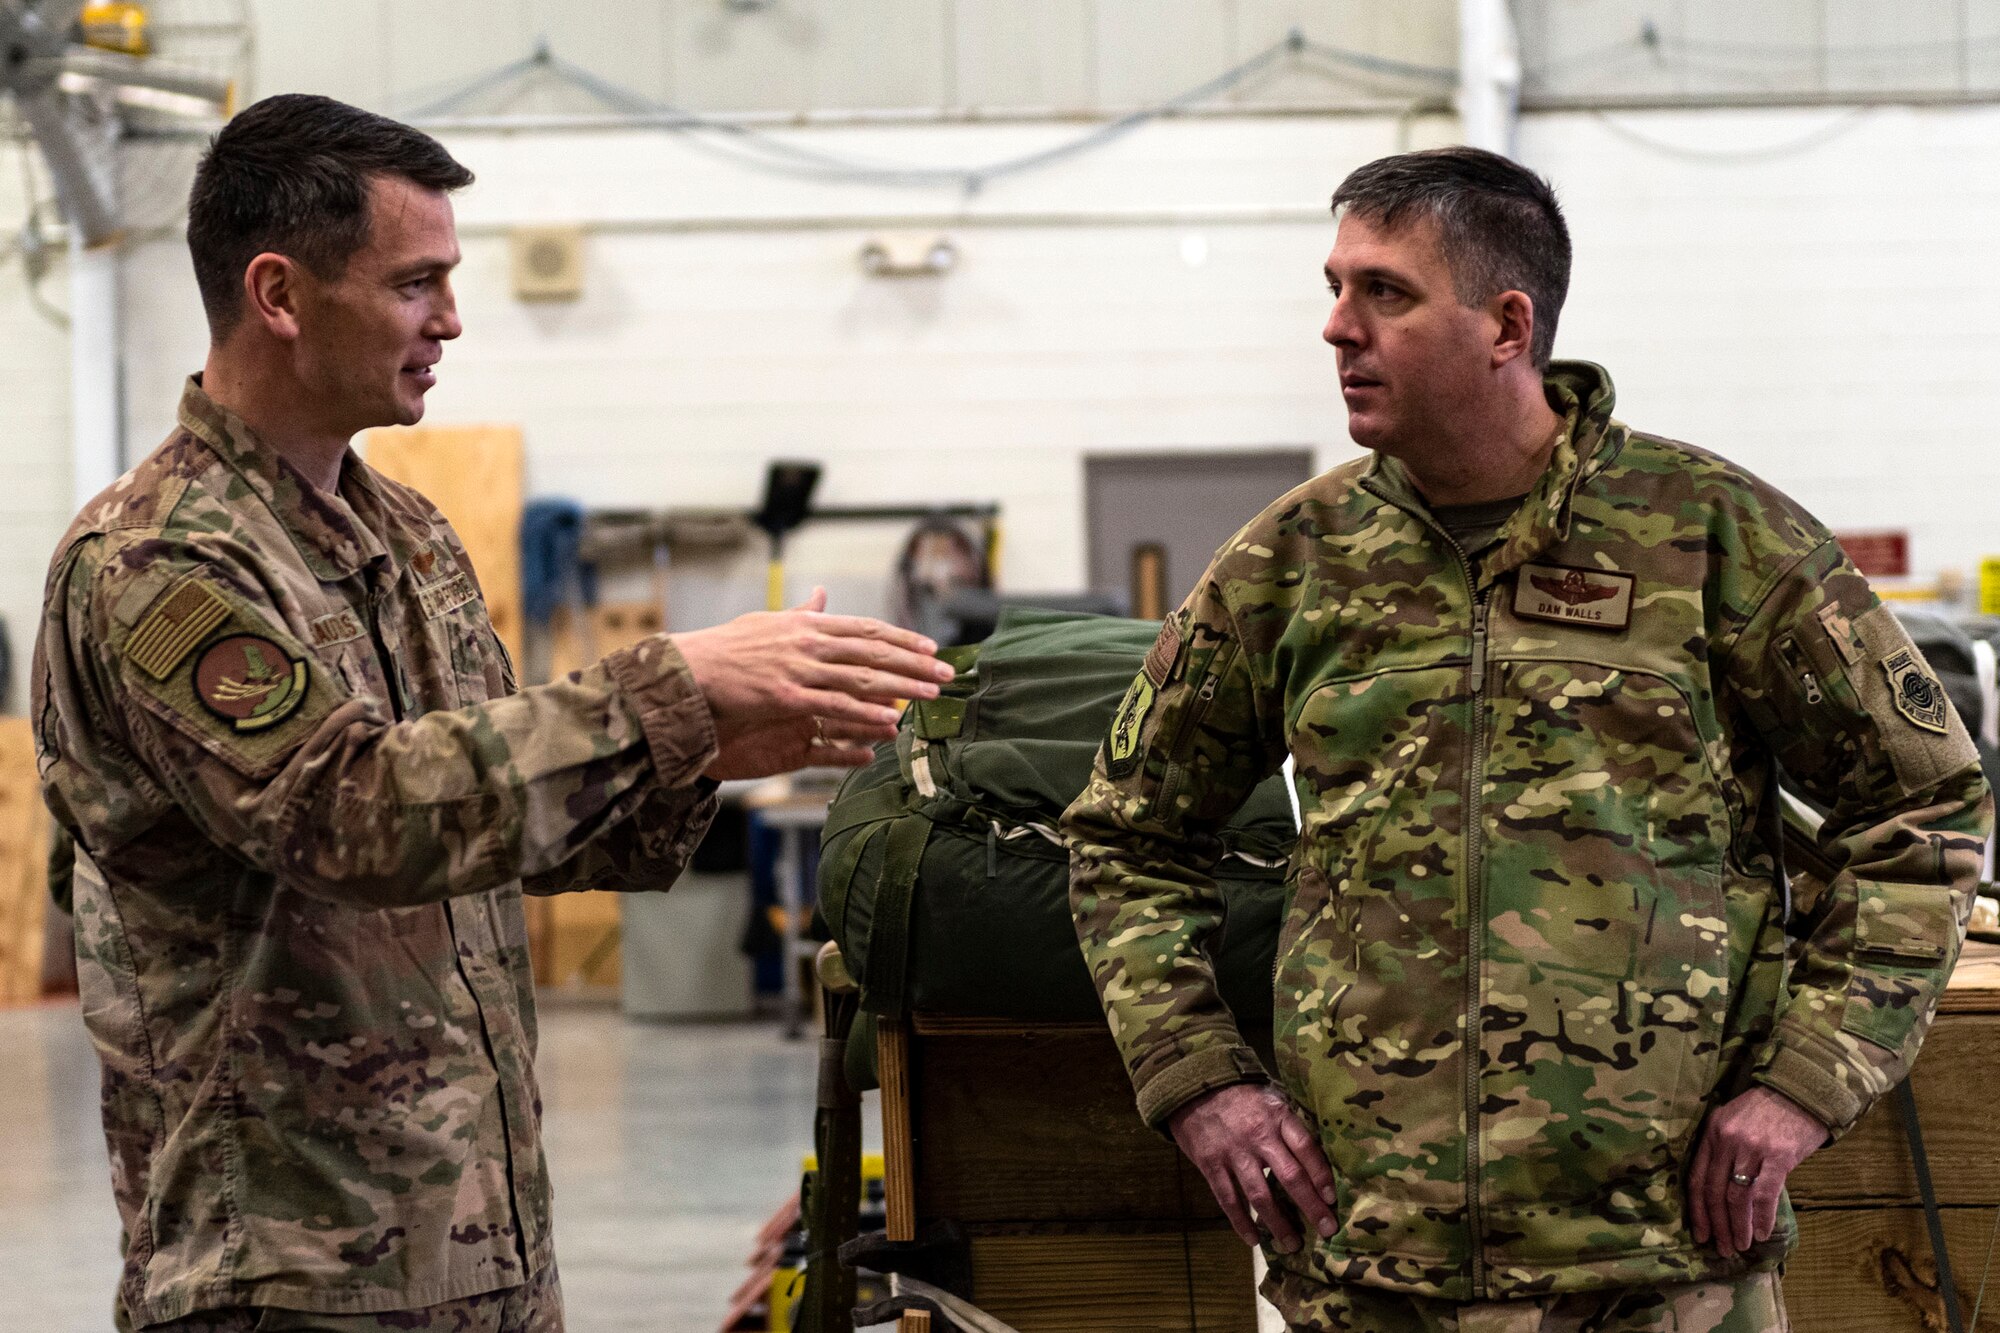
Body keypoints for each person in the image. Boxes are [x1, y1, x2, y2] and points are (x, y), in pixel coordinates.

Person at [32, 94, 953, 1333]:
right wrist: (667, 687)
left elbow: (496, 813)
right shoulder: (158, 564)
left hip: (479, 1242)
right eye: (417, 284)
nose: (452, 319)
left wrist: (715, 747)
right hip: (289, 1273)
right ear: (280, 295)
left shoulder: (406, 537)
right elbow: (345, 811)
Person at [1063, 146, 1992, 1332]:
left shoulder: (1709, 536)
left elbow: (1921, 810)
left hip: (1659, 1265)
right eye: (1333, 286)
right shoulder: (1287, 564)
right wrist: (1199, 1084)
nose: (1335, 328)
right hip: (1367, 1266)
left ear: (1507, 325)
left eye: (1382, 292)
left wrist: (1803, 1084)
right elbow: (1125, 838)